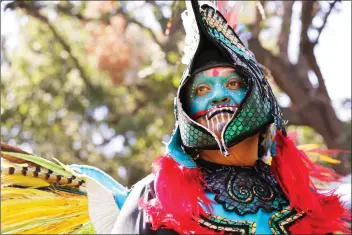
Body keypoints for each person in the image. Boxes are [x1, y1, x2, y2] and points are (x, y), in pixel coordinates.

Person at [0, 1, 349, 234]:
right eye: (200, 90)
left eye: (233, 82)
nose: (218, 95)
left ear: (262, 97)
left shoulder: (308, 201)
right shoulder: (154, 200)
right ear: (183, 109)